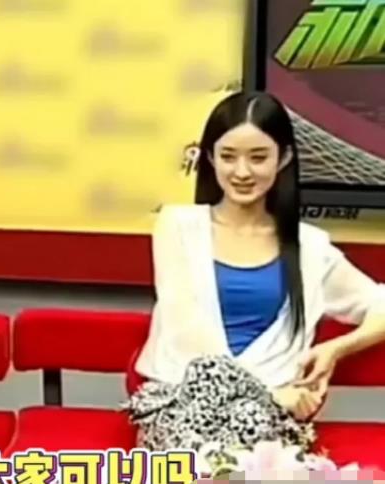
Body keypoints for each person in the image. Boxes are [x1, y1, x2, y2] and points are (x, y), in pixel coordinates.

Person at [124, 91, 385, 457]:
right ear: (210, 158)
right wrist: (270, 394)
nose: (242, 172)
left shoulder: (310, 248)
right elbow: (189, 344)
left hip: (268, 419)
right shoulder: (177, 227)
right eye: (228, 156)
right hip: (182, 405)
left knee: (257, 449)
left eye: (258, 157)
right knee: (230, 460)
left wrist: (335, 349)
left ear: (284, 158)